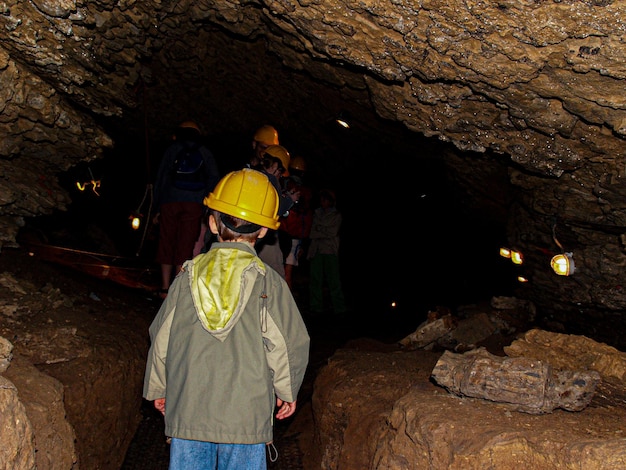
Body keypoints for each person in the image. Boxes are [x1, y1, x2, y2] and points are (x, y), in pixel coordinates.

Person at [143, 168, 310, 470]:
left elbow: (162, 335)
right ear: (263, 231)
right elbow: (287, 343)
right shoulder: (268, 283)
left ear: (211, 222)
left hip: (189, 410)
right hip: (244, 418)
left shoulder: (185, 277)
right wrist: (287, 391)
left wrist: (159, 387)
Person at [152, 120, 220, 299]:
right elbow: (214, 178)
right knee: (186, 244)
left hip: (170, 202)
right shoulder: (205, 152)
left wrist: (156, 207)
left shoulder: (173, 149)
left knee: (166, 242)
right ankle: (176, 289)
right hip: (194, 204)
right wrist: (206, 203)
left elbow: (161, 178)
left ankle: (165, 288)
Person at [254, 144, 299, 278]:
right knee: (276, 274)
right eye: (280, 171)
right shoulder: (272, 180)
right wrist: (290, 200)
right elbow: (276, 208)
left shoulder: (252, 174)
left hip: (244, 232)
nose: (280, 176)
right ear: (274, 167)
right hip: (263, 234)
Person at [307, 189, 347, 316]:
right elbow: (312, 232)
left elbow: (333, 232)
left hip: (330, 250)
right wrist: (324, 230)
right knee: (315, 280)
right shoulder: (316, 213)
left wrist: (320, 229)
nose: (322, 202)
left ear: (330, 201)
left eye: (325, 200)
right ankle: (316, 306)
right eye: (321, 200)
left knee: (333, 280)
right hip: (316, 250)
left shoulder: (336, 215)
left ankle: (339, 308)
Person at [279, 155, 313, 290]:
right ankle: (285, 306)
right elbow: (307, 218)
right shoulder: (306, 192)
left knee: (279, 270)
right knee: (287, 272)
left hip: (280, 233)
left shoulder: (283, 184)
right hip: (293, 236)